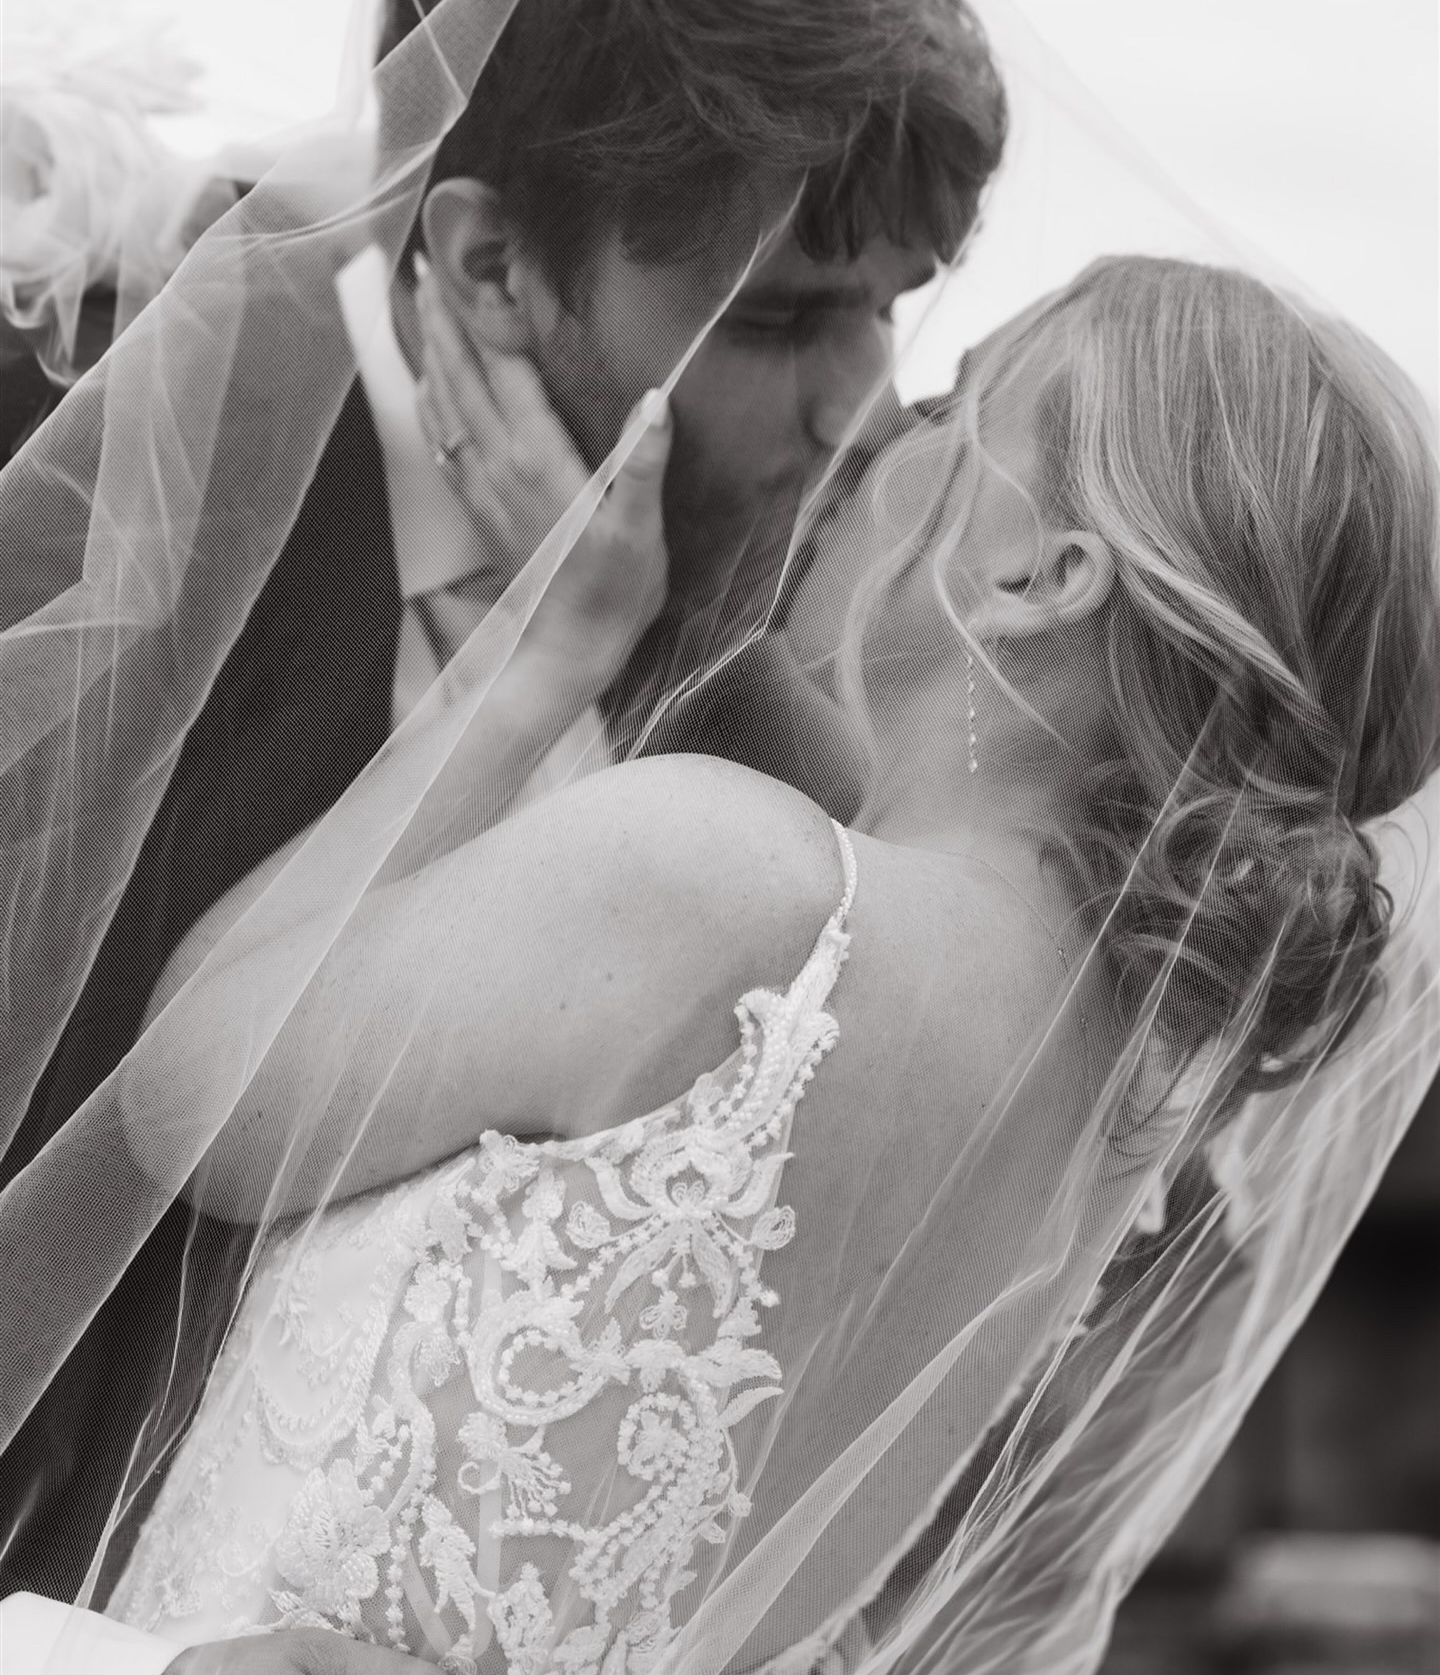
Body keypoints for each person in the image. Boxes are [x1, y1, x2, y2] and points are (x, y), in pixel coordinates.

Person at [78, 255, 1440, 1670]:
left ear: (1043, 573)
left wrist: (530, 667)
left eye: (954, 409)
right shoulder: (1109, 1112)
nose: (880, 431)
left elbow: (191, 1099)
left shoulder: (736, 886)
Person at [0, 0, 1005, 1622]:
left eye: (891, 308)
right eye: (776, 320)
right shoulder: (75, 433)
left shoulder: (783, 752)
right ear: (484, 261)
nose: (862, 403)